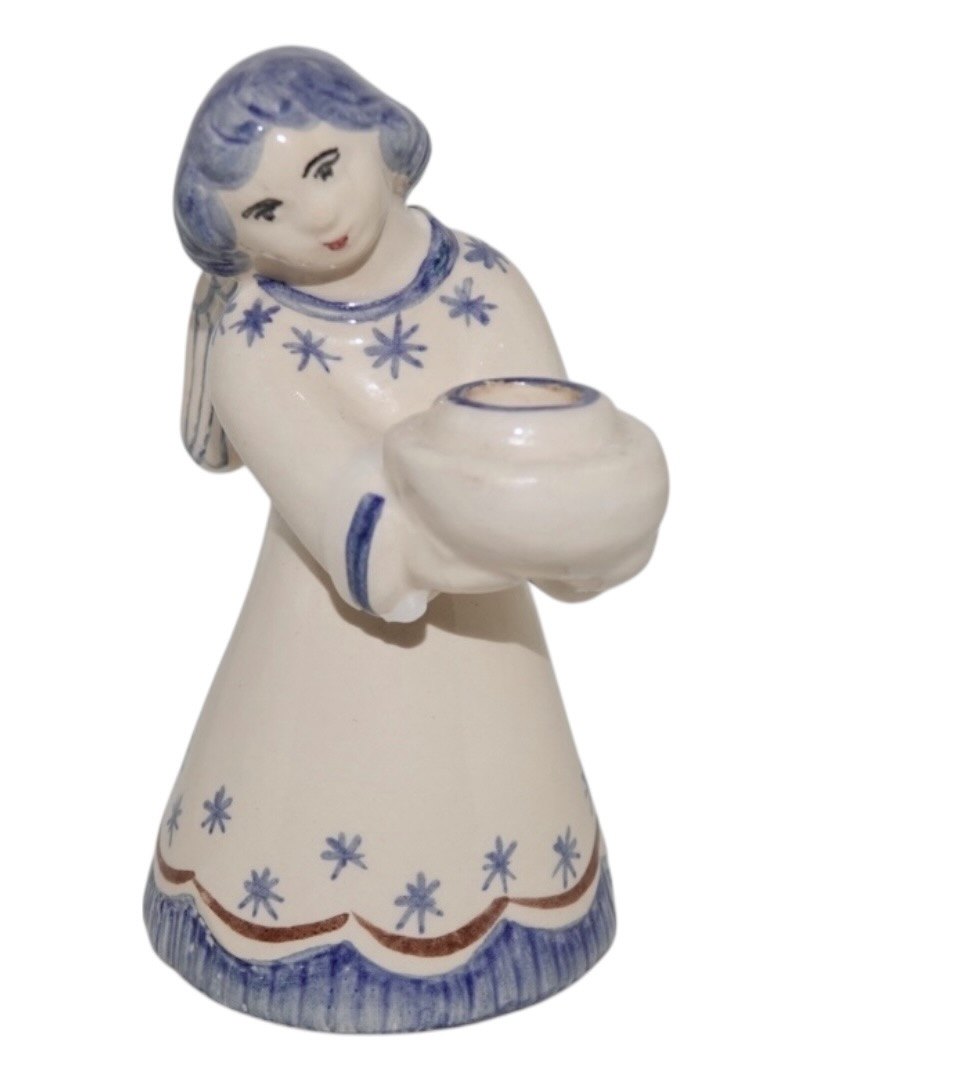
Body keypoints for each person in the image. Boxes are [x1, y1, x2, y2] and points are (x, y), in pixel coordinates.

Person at [146, 47, 621, 1033]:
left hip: (491, 642)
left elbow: (551, 441)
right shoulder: (252, 333)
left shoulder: (483, 280)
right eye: (267, 209)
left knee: (502, 771)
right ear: (232, 239)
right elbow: (343, 511)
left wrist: (587, 516)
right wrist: (503, 521)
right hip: (329, 625)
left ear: (380, 134)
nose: (318, 215)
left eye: (325, 166)